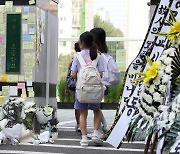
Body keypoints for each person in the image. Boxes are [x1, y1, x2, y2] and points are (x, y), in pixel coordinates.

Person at [71, 32, 105, 146]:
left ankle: (84, 138)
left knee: (82, 113)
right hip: (95, 90)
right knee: (97, 111)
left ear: (81, 43)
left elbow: (73, 74)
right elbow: (101, 74)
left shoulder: (78, 56)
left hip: (82, 89)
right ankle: (95, 133)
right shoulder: (98, 55)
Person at [90, 28, 109, 133]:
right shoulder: (105, 54)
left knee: (95, 108)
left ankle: (101, 128)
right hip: (102, 83)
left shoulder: (96, 54)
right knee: (96, 107)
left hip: (95, 83)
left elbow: (101, 72)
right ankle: (103, 126)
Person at [65, 42, 81, 132]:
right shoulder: (88, 57)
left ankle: (79, 123)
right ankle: (81, 123)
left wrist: (66, 87)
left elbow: (69, 75)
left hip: (76, 85)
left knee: (77, 105)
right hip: (84, 84)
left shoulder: (73, 59)